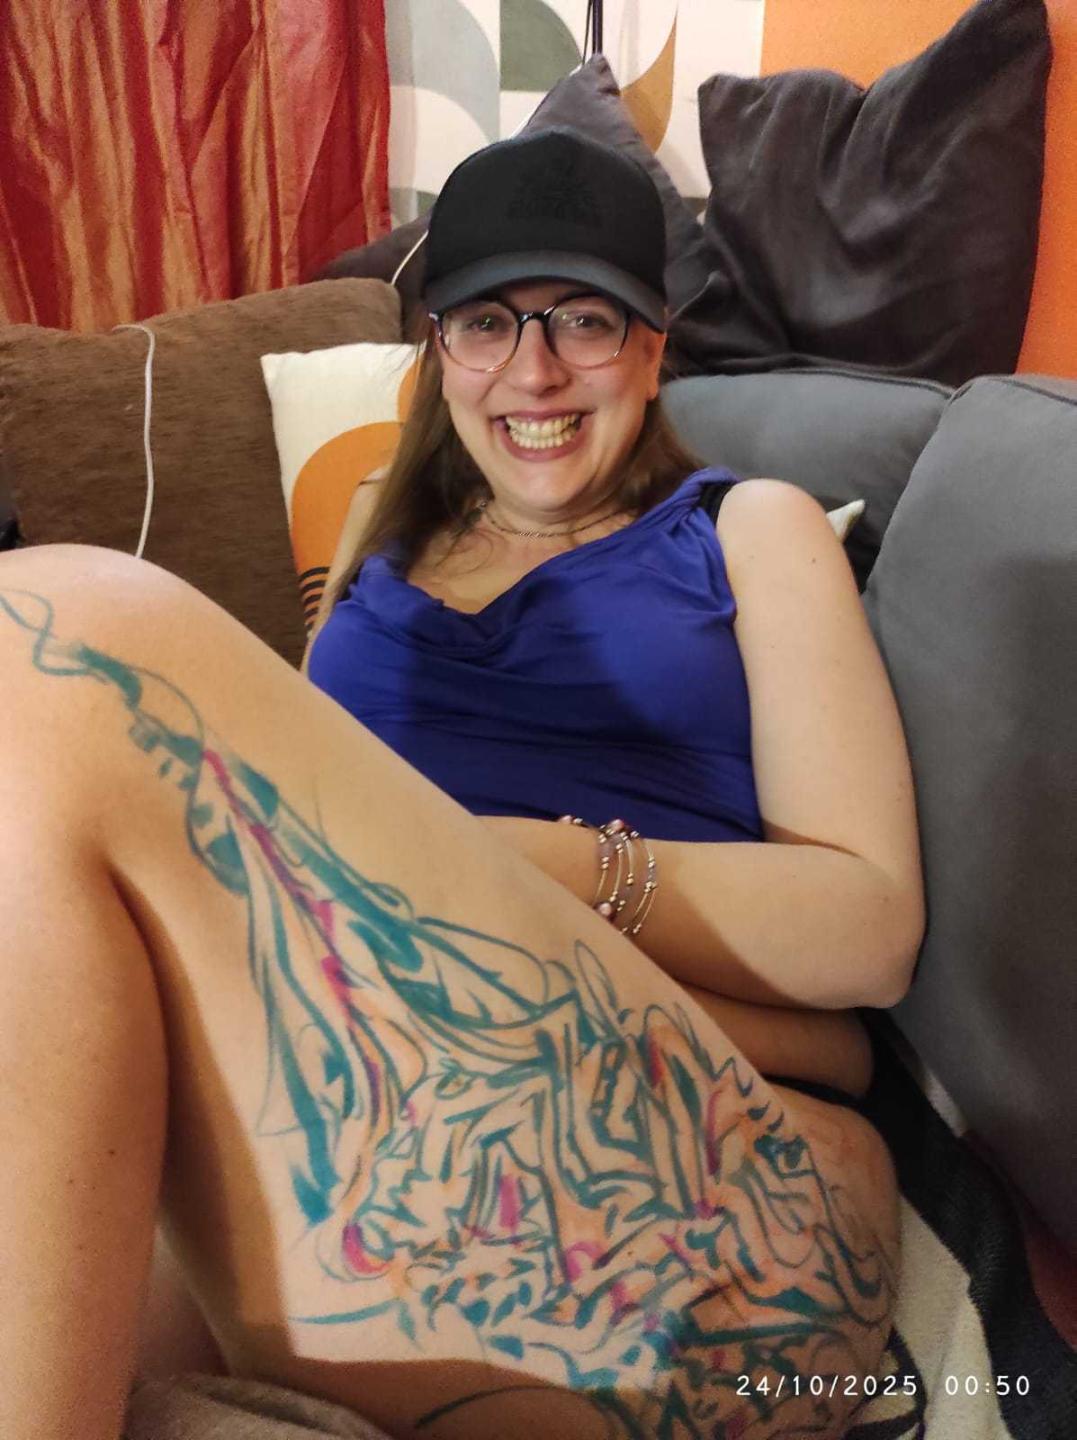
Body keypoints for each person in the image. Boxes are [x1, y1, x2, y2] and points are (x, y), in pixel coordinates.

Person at [0, 128, 923, 1440]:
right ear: (438, 350)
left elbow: (867, 931)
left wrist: (528, 859)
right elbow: (294, 876)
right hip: (350, 1084)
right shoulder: (381, 526)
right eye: (486, 322)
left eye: (582, 319)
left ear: (651, 346)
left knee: (57, 631)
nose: (531, 371)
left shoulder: (745, 528)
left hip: (688, 1147)